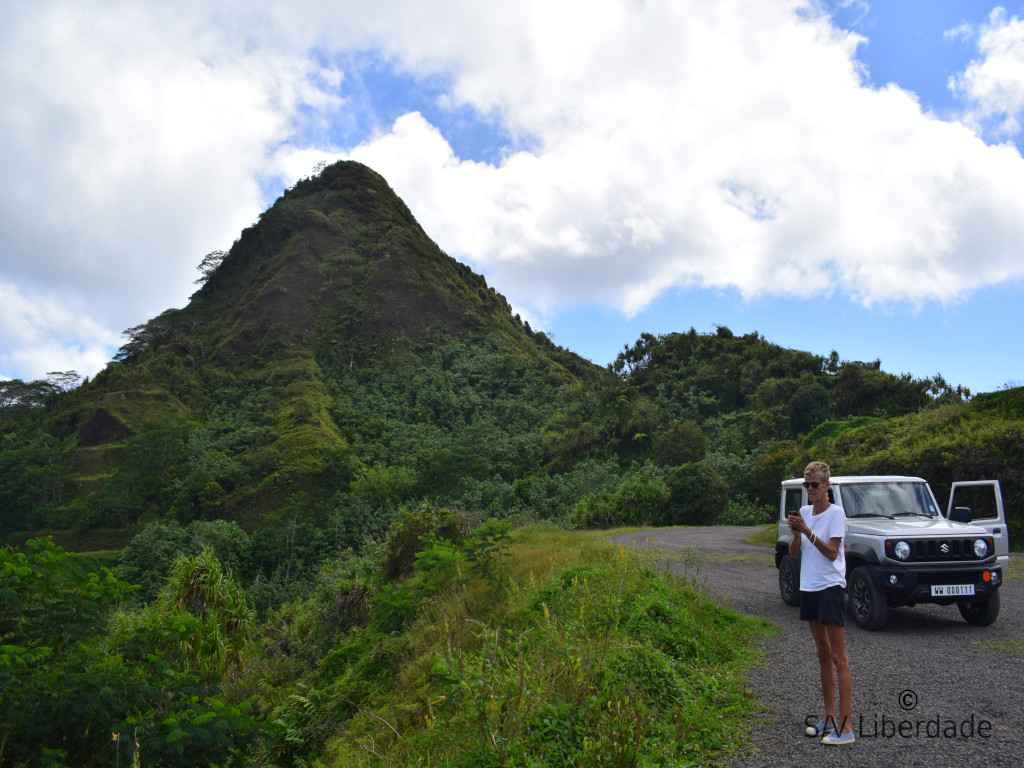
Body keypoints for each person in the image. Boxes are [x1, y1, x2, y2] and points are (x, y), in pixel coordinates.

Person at [788, 461, 855, 745]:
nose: (810, 489)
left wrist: (807, 530)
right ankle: (828, 718)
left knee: (839, 656)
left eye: (815, 484)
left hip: (830, 586)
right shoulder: (804, 513)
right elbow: (793, 554)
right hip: (810, 587)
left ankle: (847, 727)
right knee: (822, 653)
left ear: (827, 486)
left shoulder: (836, 514)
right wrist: (797, 533)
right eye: (806, 485)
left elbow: (832, 552)